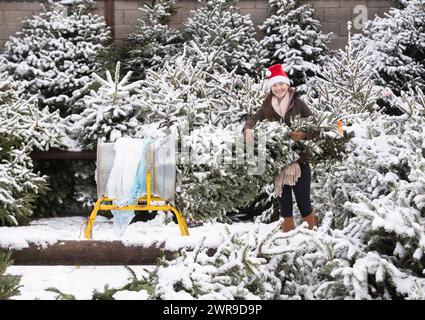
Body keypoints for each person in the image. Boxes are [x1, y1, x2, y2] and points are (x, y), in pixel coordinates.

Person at [243, 64, 318, 232]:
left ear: (287, 84)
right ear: (271, 87)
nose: (278, 88)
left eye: (281, 84)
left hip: (300, 161)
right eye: (274, 85)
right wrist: (248, 129)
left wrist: (304, 134)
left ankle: (313, 235)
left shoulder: (298, 103)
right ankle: (287, 236)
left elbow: (316, 126)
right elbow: (253, 119)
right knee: (284, 203)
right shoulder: (267, 105)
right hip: (279, 162)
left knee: (303, 201)